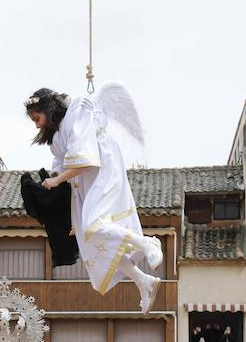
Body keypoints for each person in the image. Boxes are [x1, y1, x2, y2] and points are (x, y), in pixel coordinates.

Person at [25, 86, 164, 311]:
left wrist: (58, 180)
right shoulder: (58, 134)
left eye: (37, 118)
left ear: (48, 110)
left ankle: (148, 243)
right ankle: (143, 281)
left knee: (95, 226)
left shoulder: (78, 110)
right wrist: (47, 183)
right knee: (93, 243)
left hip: (103, 170)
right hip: (85, 183)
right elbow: (60, 164)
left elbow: (86, 160)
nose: (37, 124)